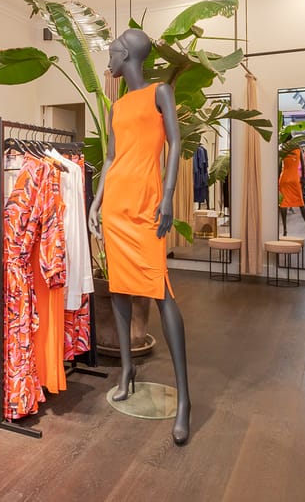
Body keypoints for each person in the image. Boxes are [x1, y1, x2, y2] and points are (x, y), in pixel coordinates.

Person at [89, 29, 191, 446]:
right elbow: (111, 157)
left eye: (112, 51)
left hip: (147, 206)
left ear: (128, 53)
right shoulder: (117, 106)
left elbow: (175, 143)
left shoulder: (159, 93)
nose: (109, 59)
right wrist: (96, 202)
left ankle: (185, 400)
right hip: (116, 207)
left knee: (161, 291)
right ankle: (128, 371)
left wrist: (168, 196)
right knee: (118, 289)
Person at [278, 146, 305, 237]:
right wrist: (303, 177)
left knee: (283, 204)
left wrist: (277, 179)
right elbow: (302, 164)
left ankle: (285, 230)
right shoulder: (298, 149)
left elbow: (279, 166)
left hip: (284, 179)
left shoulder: (283, 149)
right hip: (294, 179)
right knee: (301, 203)